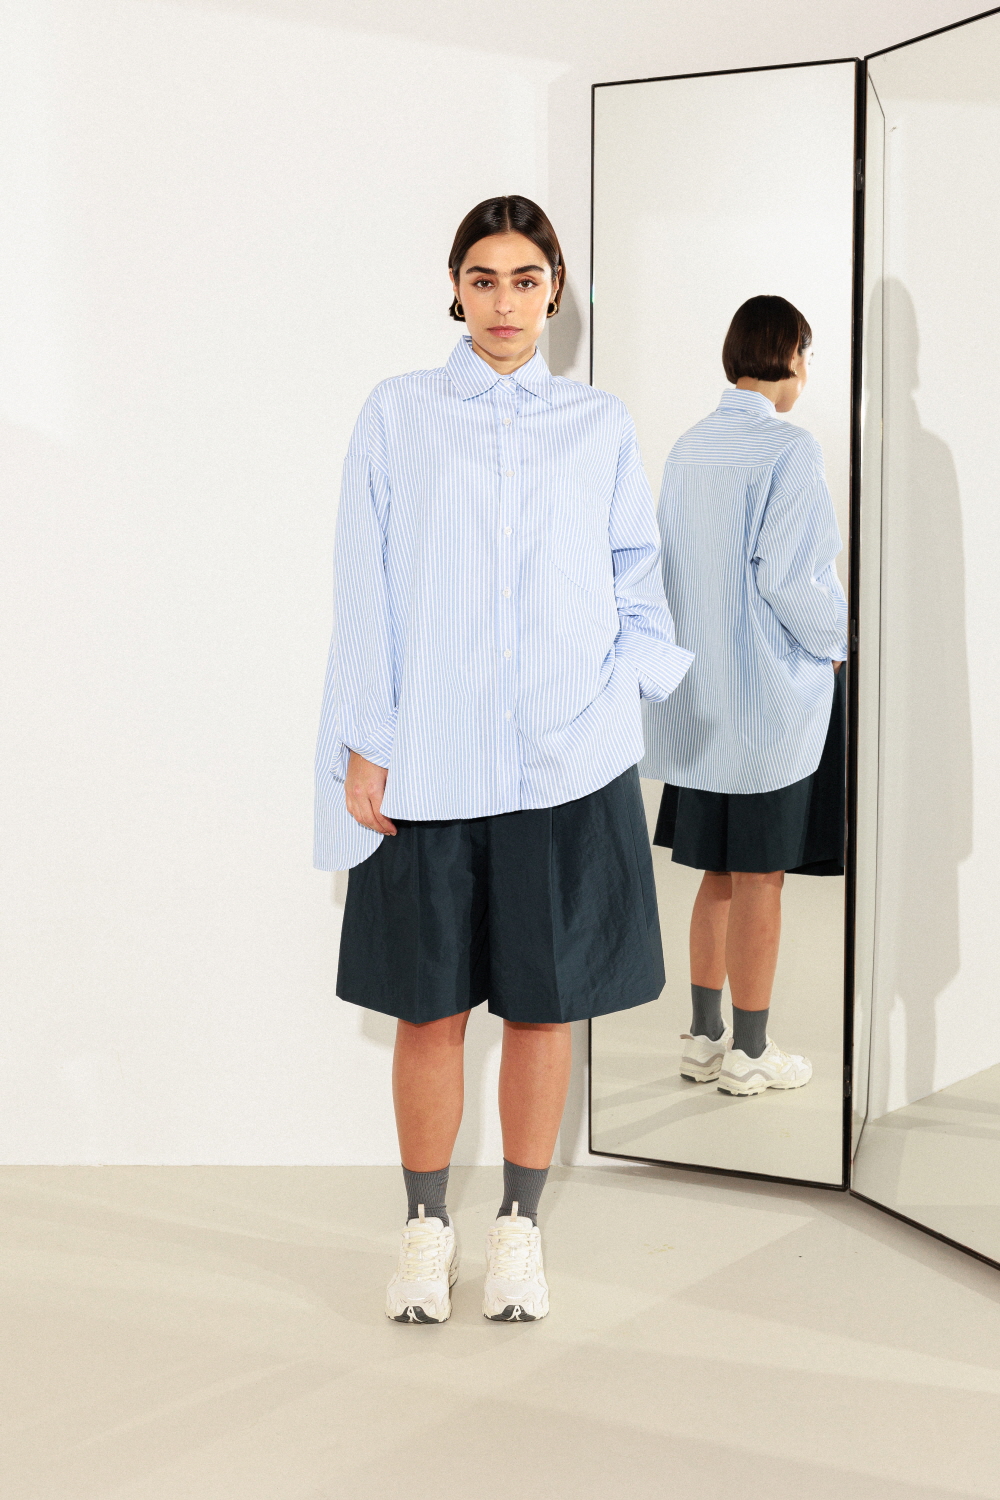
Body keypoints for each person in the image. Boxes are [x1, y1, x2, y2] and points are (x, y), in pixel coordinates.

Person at [314, 196, 692, 1324]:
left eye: (526, 279)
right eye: (483, 279)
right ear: (455, 287)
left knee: (544, 1006)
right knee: (427, 1010)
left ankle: (518, 1230)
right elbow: (363, 586)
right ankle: (426, 1229)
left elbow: (638, 579)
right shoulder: (397, 413)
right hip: (427, 762)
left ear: (555, 288)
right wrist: (365, 742)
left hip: (563, 764)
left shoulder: (598, 423)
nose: (505, 302)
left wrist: (618, 696)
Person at [642, 295, 848, 1098]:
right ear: (789, 355)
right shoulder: (789, 448)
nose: (805, 374)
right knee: (762, 876)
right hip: (766, 704)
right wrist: (837, 639)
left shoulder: (689, 446)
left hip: (699, 705)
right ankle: (752, 1054)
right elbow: (792, 577)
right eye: (806, 356)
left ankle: (702, 1039)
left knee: (717, 875)